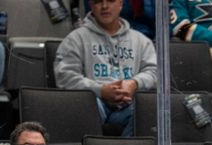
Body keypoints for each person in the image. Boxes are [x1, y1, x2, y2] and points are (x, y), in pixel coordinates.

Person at [54, 0, 157, 137]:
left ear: (121, 3)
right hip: (94, 103)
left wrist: (134, 83)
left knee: (149, 108)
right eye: (98, 1)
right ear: (91, 5)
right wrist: (100, 90)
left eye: (110, 0)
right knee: (84, 103)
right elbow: (65, 77)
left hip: (128, 105)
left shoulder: (141, 41)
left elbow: (155, 73)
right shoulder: (75, 39)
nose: (104, 6)